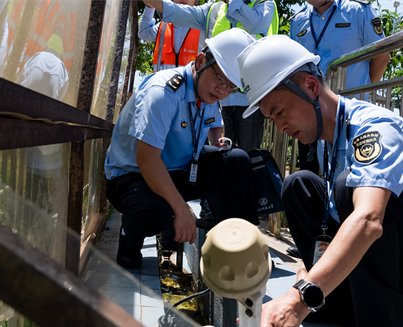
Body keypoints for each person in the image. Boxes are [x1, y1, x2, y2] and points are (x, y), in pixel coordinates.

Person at [238, 35, 403, 327]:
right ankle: (340, 303)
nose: (281, 127)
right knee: (299, 186)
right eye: (272, 119)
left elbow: (369, 220)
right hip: (395, 263)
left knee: (350, 189)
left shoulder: (373, 129)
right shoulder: (328, 140)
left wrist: (297, 299)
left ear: (311, 87)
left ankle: (383, 326)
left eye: (280, 112)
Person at [104, 29, 259, 269]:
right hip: (133, 176)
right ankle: (129, 241)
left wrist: (220, 142)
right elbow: (146, 160)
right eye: (220, 79)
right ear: (200, 61)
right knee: (157, 212)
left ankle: (240, 242)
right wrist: (182, 210)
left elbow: (215, 126)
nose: (222, 90)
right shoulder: (163, 92)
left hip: (180, 168)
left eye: (231, 87)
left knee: (237, 160)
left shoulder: (209, 93)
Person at [286, 0, 390, 259]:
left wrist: (359, 92)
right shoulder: (298, 21)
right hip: (311, 115)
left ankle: (353, 249)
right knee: (318, 177)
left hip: (349, 115)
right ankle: (321, 245)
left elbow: (381, 55)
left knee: (350, 182)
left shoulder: (359, 11)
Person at [142, 0, 278, 152]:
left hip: (248, 100)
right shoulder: (213, 9)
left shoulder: (265, 3)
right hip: (217, 100)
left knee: (249, 156)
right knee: (220, 155)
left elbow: (255, 24)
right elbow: (177, 12)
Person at [138, 0, 204, 72]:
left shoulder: (204, 27)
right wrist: (150, 7)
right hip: (162, 82)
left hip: (191, 83)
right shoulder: (163, 26)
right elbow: (143, 33)